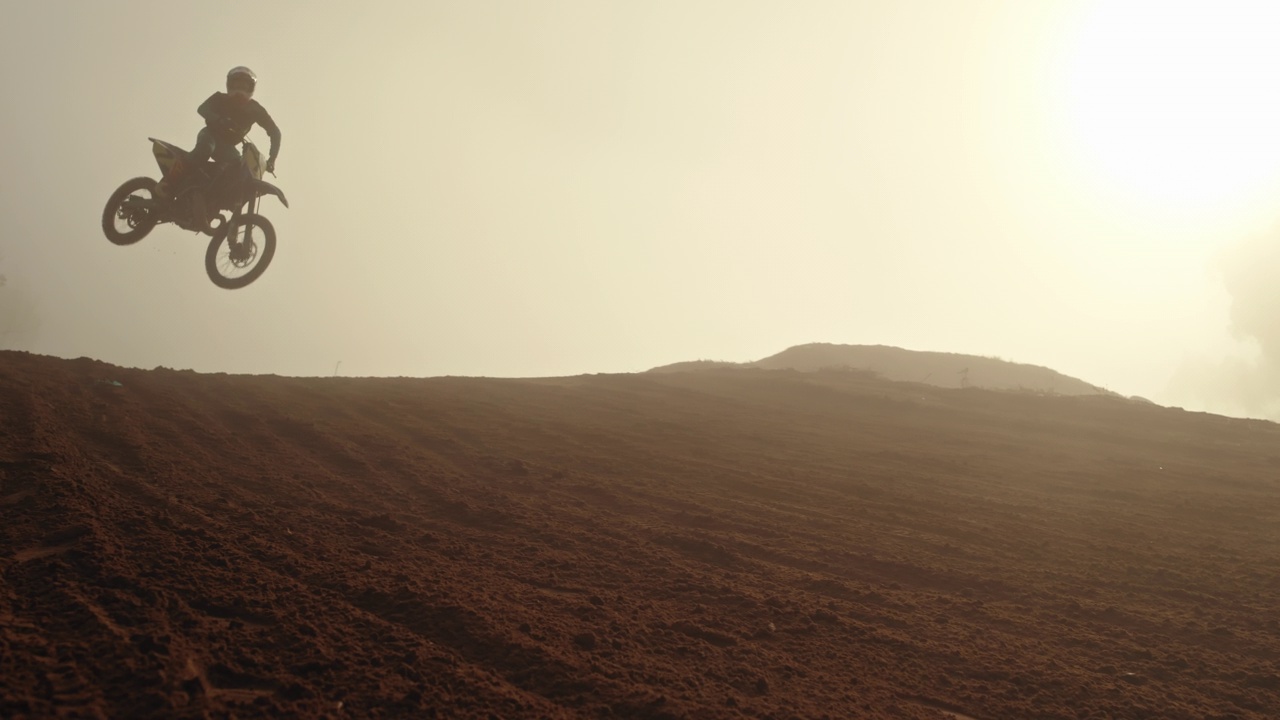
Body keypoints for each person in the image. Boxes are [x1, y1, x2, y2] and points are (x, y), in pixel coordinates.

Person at [155, 66, 282, 223]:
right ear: (229, 85)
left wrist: (272, 159)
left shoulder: (255, 109)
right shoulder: (220, 98)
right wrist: (218, 119)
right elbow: (202, 109)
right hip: (210, 135)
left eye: (244, 86)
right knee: (205, 149)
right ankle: (167, 183)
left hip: (227, 147)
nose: (239, 90)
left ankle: (209, 196)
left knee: (238, 168)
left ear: (251, 88)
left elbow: (275, 132)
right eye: (236, 85)